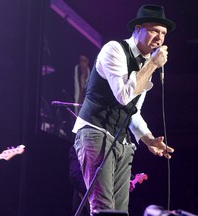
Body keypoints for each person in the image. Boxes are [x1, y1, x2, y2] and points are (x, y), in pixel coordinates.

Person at [72, 4, 175, 215]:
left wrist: (147, 138)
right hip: (95, 132)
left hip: (121, 141)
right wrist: (152, 65)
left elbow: (132, 110)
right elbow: (123, 96)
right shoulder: (115, 49)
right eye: (154, 30)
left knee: (120, 211)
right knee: (103, 208)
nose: (159, 37)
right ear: (138, 28)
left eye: (163, 33)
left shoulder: (146, 64)